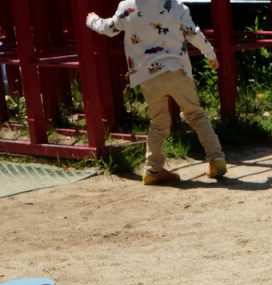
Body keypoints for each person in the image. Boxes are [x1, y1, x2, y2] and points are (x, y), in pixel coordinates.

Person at [86, 0, 227, 185]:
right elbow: (193, 32)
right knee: (195, 114)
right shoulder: (176, 5)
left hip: (147, 75)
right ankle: (216, 159)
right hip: (177, 70)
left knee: (158, 122)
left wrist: (92, 20)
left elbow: (109, 29)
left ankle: (153, 169)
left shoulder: (126, 7)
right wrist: (210, 54)